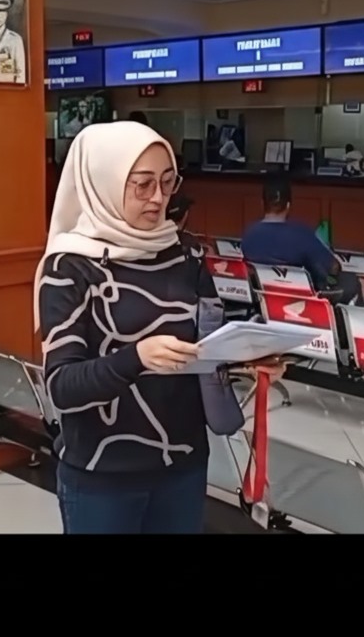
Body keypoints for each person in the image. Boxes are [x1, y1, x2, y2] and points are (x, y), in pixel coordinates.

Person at [35, 121, 281, 534]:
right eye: (142, 184)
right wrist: (136, 357)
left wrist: (250, 356)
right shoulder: (69, 267)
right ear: (103, 184)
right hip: (102, 473)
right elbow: (62, 386)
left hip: (183, 464)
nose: (159, 198)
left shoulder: (185, 253)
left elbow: (207, 343)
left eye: (168, 182)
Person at [240, 175, 361, 305]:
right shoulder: (301, 234)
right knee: (352, 281)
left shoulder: (248, 234)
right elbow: (334, 268)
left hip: (265, 300)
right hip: (303, 301)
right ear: (288, 205)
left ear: (262, 203)